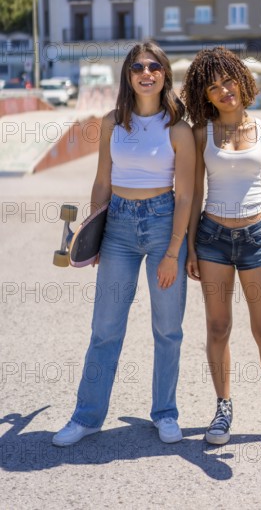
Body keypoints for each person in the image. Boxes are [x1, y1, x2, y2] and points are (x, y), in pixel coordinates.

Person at [53, 41, 195, 446]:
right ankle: (87, 417)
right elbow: (102, 180)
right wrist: (92, 234)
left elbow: (184, 195)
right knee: (105, 328)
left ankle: (165, 413)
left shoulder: (178, 129)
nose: (145, 73)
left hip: (163, 223)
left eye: (153, 66)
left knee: (168, 328)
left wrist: (172, 253)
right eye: (137, 67)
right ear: (128, 76)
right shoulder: (113, 121)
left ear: (164, 73)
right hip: (117, 227)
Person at [181, 47, 261, 453]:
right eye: (213, 87)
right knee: (218, 328)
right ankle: (223, 408)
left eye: (228, 81)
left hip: (256, 237)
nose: (224, 91)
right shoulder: (201, 134)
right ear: (206, 94)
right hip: (213, 238)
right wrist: (191, 248)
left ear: (241, 79)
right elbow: (195, 192)